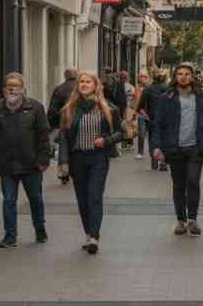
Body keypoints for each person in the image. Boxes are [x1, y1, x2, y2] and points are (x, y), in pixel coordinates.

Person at [57, 72, 125, 254]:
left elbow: (121, 133)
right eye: (81, 82)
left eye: (88, 82)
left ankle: (94, 237)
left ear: (96, 85)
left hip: (98, 158)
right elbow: (63, 137)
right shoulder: (69, 109)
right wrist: (63, 162)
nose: (84, 84)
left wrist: (106, 141)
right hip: (77, 158)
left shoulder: (107, 108)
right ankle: (88, 233)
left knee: (94, 196)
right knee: (82, 199)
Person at [0, 72, 51, 248]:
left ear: (23, 89)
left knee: (35, 199)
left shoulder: (35, 108)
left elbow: (44, 135)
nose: (12, 89)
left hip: (32, 164)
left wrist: (44, 159)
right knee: (9, 201)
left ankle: (40, 229)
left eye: (16, 86)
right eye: (9, 86)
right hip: (7, 164)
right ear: (3, 89)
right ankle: (10, 236)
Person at [152, 63, 203, 236]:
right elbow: (158, 124)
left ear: (192, 77)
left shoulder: (202, 98)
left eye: (187, 74)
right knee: (179, 185)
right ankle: (180, 221)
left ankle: (193, 219)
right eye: (180, 74)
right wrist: (157, 146)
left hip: (195, 149)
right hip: (174, 149)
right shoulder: (166, 98)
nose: (183, 77)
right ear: (175, 77)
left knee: (193, 181)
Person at [48, 68, 78, 184]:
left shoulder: (59, 89)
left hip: (64, 121)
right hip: (79, 120)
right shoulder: (80, 88)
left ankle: (63, 172)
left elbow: (53, 110)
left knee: (63, 147)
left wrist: (54, 124)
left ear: (65, 76)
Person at [138, 68, 169, 170]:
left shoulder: (147, 89)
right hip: (165, 118)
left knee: (152, 140)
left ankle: (154, 161)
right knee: (165, 139)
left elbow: (140, 107)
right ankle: (163, 162)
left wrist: (147, 117)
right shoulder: (168, 88)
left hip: (152, 119)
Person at [133, 69, 151, 160]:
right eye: (141, 76)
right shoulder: (137, 88)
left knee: (152, 134)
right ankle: (140, 152)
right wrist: (133, 114)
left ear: (149, 78)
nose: (143, 78)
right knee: (141, 133)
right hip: (141, 114)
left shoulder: (151, 87)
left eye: (145, 76)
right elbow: (136, 101)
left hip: (151, 114)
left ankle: (153, 151)